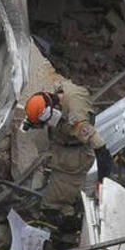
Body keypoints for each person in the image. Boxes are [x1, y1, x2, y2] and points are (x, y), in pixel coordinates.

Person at [22, 79, 114, 231]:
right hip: (62, 148)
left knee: (52, 206)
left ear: (53, 113)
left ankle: (72, 229)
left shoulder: (76, 119)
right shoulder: (59, 93)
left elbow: (101, 149)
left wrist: (102, 181)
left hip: (74, 160)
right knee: (58, 193)